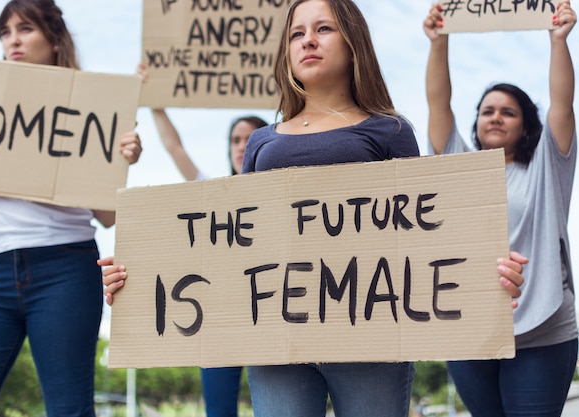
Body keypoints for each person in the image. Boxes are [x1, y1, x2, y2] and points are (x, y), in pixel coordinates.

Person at [101, 1, 524, 416]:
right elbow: (235, 245)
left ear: (353, 41)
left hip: (370, 341)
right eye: (296, 33)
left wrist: (483, 278)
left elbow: (424, 232)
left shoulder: (390, 130)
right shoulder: (261, 141)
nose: (308, 41)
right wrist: (140, 273)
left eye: (324, 29)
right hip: (275, 342)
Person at [0, 1, 142, 416]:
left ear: (54, 39)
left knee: (69, 410)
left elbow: (107, 217)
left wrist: (119, 161)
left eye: (25, 28)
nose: (13, 40)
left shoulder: (90, 108)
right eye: (5, 32)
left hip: (64, 269)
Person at [424, 1, 578, 416]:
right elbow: (440, 107)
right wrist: (439, 43)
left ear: (527, 125)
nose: (495, 117)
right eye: (487, 111)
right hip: (470, 329)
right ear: (475, 123)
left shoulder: (548, 166)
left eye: (508, 112)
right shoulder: (457, 164)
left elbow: (561, 106)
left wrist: (558, 41)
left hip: (543, 331)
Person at [151, 106, 268, 417]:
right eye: (235, 140)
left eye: (251, 138)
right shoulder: (212, 193)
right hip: (220, 321)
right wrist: (156, 106)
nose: (242, 146)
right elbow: (175, 149)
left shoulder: (285, 196)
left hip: (271, 317)